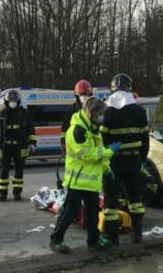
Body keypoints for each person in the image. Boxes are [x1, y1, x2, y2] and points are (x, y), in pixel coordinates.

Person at [50, 97, 121, 253]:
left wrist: (106, 169)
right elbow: (87, 155)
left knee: (92, 214)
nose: (102, 117)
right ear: (92, 112)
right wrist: (110, 152)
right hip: (77, 181)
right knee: (69, 212)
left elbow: (99, 154)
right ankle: (56, 239)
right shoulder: (78, 130)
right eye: (100, 113)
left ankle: (93, 241)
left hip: (90, 182)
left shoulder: (93, 128)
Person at [100, 73, 149, 244]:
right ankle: (137, 233)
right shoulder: (140, 112)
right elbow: (145, 139)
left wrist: (104, 159)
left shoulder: (108, 112)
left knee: (111, 201)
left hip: (114, 161)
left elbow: (103, 139)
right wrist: (142, 159)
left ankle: (112, 236)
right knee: (136, 199)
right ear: (130, 88)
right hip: (135, 161)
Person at [0, 90, 37, 201]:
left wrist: (33, 144)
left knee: (19, 171)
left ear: (18, 101)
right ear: (6, 101)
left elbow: (31, 131)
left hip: (21, 147)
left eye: (15, 100)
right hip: (5, 147)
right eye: (10, 100)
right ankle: (2, 194)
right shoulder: (1, 114)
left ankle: (17, 193)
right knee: (4, 170)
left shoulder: (25, 113)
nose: (13, 102)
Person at [60, 80, 93, 154]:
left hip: (92, 147)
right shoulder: (71, 111)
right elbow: (64, 129)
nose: (83, 97)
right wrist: (63, 143)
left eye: (86, 95)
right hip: (75, 147)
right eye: (81, 95)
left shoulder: (94, 109)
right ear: (77, 96)